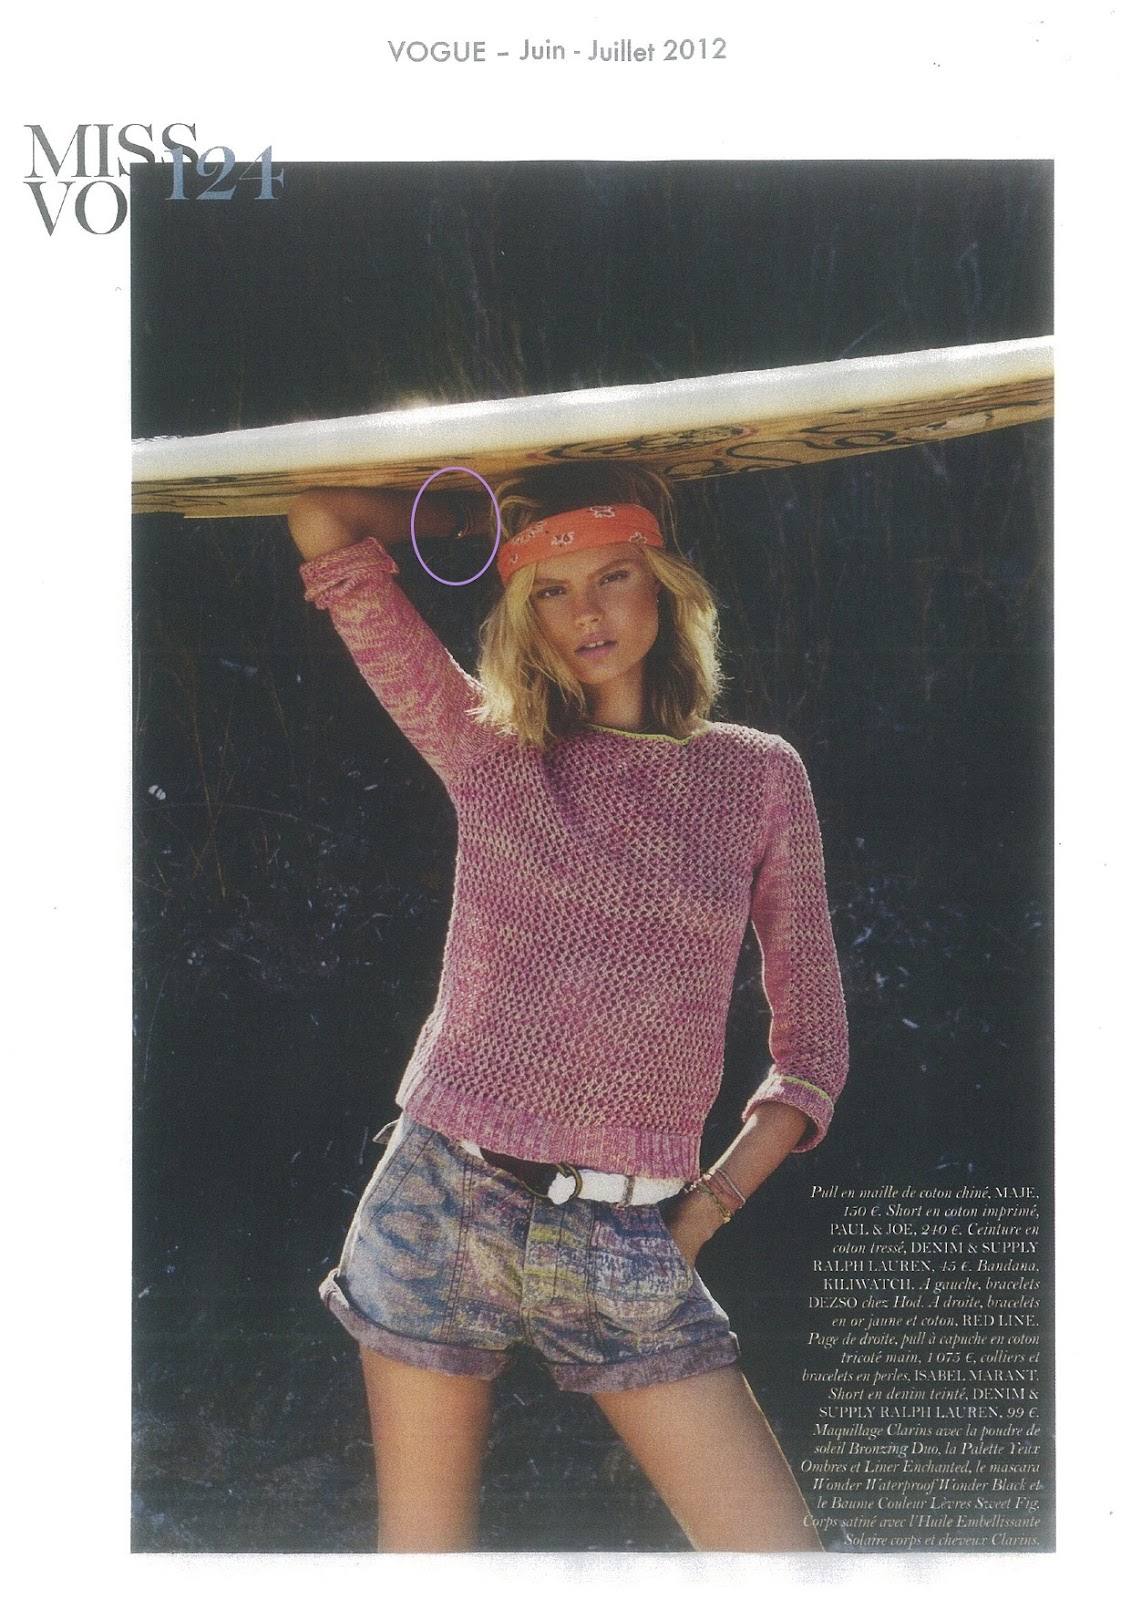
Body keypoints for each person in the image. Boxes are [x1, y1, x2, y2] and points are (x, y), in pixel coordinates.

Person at [287, 464, 848, 1553]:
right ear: (520, 611)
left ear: (665, 587)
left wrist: (707, 1208)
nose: (584, 612)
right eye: (548, 588)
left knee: (782, 1564)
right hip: (443, 1198)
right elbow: (323, 521)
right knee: (424, 1564)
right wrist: (485, 518)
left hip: (634, 1230)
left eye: (612, 576)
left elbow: (814, 1045)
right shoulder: (484, 744)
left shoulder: (757, 777)